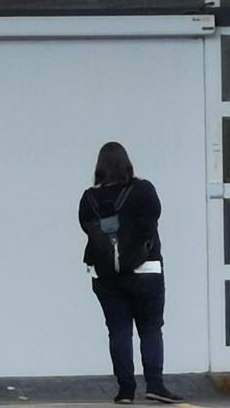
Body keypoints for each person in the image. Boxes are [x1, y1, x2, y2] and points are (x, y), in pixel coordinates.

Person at [79, 142, 183, 405]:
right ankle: (155, 385)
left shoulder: (89, 199)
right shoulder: (143, 190)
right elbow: (153, 218)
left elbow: (87, 228)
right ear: (127, 163)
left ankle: (125, 390)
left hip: (106, 276)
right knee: (150, 328)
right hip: (146, 269)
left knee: (118, 330)